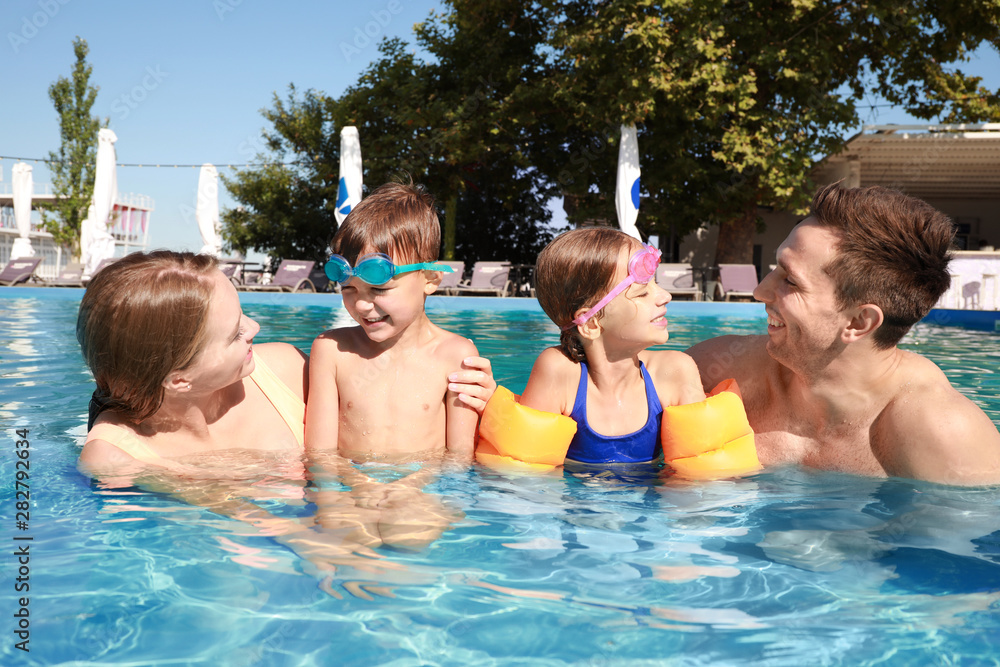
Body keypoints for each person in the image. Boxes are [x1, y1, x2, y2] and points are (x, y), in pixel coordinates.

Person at [687, 184, 1000, 486]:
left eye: (791, 281)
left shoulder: (945, 438)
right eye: (774, 268)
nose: (760, 291)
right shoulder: (716, 371)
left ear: (859, 322)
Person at [77, 250, 308, 479]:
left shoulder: (288, 372)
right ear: (178, 379)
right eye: (236, 333)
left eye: (242, 314)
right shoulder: (116, 459)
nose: (255, 327)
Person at [305, 181, 480, 461]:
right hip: (349, 499)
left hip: (422, 500)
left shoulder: (455, 356)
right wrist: (335, 503)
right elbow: (320, 456)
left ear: (430, 279)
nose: (361, 304)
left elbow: (459, 460)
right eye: (348, 289)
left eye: (380, 289)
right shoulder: (331, 351)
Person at [516, 227, 708, 464]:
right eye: (642, 293)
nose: (665, 296)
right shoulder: (560, 372)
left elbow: (698, 479)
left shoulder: (674, 372)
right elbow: (527, 475)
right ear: (592, 324)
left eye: (656, 285)